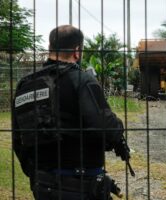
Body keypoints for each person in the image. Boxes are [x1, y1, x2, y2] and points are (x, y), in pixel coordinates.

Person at [12, 25, 129, 200]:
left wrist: (37, 174)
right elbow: (104, 126)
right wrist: (118, 128)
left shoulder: (25, 85)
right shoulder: (82, 79)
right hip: (82, 184)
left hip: (43, 184)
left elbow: (18, 140)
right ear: (77, 51)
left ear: (50, 47)